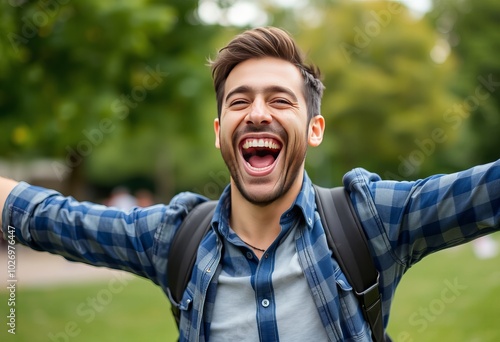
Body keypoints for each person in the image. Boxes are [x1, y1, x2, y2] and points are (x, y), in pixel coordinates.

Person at [1, 26, 499, 342]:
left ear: (314, 129)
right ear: (219, 133)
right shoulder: (175, 239)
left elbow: (487, 190)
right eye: (239, 101)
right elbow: (52, 220)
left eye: (280, 100)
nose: (258, 112)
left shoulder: (371, 219)